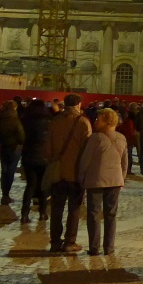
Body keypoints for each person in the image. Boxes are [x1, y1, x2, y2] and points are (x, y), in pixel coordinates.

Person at [77, 108, 128, 257]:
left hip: (96, 180)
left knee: (93, 214)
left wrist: (81, 177)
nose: (95, 122)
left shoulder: (96, 138)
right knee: (111, 214)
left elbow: (85, 160)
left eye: (98, 119)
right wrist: (122, 178)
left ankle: (94, 247)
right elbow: (125, 162)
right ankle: (109, 247)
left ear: (106, 121)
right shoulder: (122, 138)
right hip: (115, 180)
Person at [46, 93, 92, 253]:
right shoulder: (83, 122)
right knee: (74, 208)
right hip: (75, 172)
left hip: (58, 172)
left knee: (56, 208)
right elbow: (87, 149)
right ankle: (70, 241)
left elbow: (48, 147)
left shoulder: (55, 121)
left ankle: (55, 242)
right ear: (78, 105)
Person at [20, 99, 51, 225]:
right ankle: (42, 213)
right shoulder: (48, 121)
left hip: (28, 156)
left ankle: (24, 214)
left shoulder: (25, 120)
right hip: (44, 157)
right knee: (43, 185)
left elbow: (21, 138)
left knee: (30, 185)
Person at [0, 100, 25, 205]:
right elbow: (21, 136)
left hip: (3, 147)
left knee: (4, 171)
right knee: (10, 171)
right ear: (14, 108)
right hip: (14, 148)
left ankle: (4, 194)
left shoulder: (0, 118)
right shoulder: (15, 120)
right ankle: (7, 194)